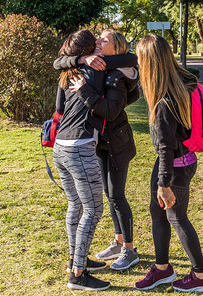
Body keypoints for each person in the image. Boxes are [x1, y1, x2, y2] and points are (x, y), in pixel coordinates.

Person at [134, 34, 203, 293]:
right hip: (184, 160)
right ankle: (162, 269)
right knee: (158, 212)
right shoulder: (184, 83)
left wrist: (164, 183)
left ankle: (201, 275)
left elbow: (166, 147)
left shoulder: (164, 102)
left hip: (173, 166)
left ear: (149, 63)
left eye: (139, 59)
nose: (137, 63)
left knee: (176, 217)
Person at [66, 29, 140, 271]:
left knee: (117, 195)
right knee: (110, 195)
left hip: (117, 143)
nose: (98, 41)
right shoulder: (105, 69)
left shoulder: (118, 75)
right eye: (98, 37)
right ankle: (119, 242)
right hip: (102, 142)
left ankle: (130, 249)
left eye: (104, 39)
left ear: (116, 48)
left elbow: (109, 110)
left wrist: (84, 91)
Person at [52, 29, 109, 291]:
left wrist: (80, 60)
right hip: (79, 148)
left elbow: (60, 109)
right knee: (93, 209)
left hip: (60, 147)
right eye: (96, 42)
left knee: (75, 205)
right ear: (88, 50)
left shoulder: (66, 74)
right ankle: (78, 274)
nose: (101, 44)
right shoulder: (95, 69)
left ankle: (77, 259)